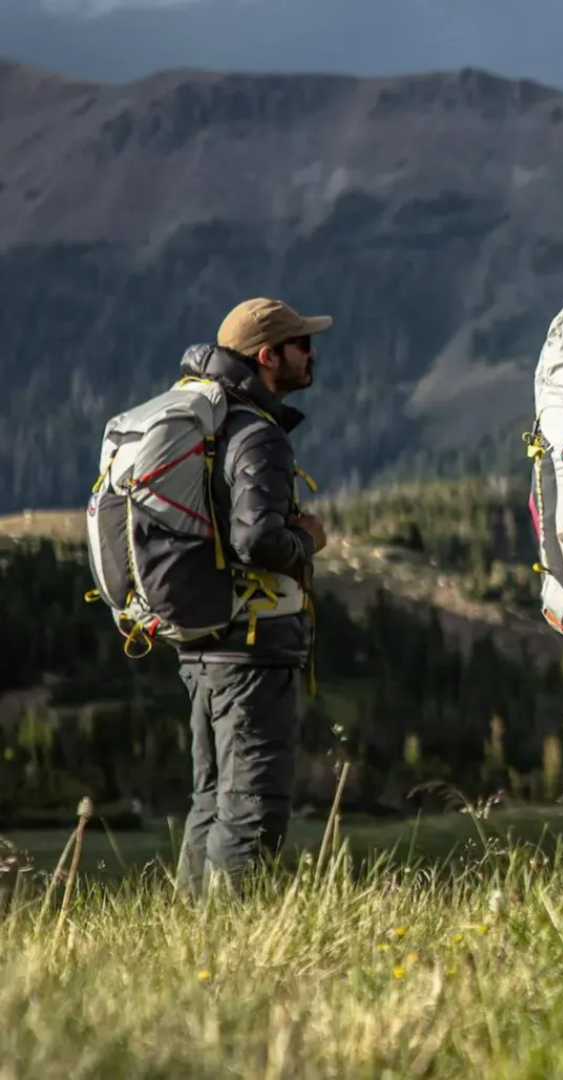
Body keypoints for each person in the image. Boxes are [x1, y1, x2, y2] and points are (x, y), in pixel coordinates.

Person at [175, 297, 331, 896]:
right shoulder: (256, 435)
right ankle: (232, 940)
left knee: (211, 799)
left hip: (204, 643)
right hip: (250, 648)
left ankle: (192, 935)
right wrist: (306, 539)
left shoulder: (214, 423)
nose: (311, 354)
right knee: (251, 806)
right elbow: (258, 539)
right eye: (301, 345)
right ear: (268, 357)